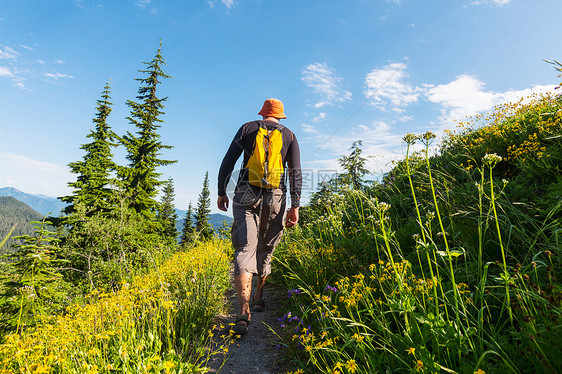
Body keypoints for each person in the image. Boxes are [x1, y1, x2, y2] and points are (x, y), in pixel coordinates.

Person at [217, 98, 302, 335]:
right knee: (266, 247)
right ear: (280, 116)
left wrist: (221, 191)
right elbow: (295, 172)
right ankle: (258, 297)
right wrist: (295, 205)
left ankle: (243, 310)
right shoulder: (290, 135)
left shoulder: (247, 128)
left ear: (263, 113)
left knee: (245, 248)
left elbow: (228, 162)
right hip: (275, 197)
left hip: (245, 192)